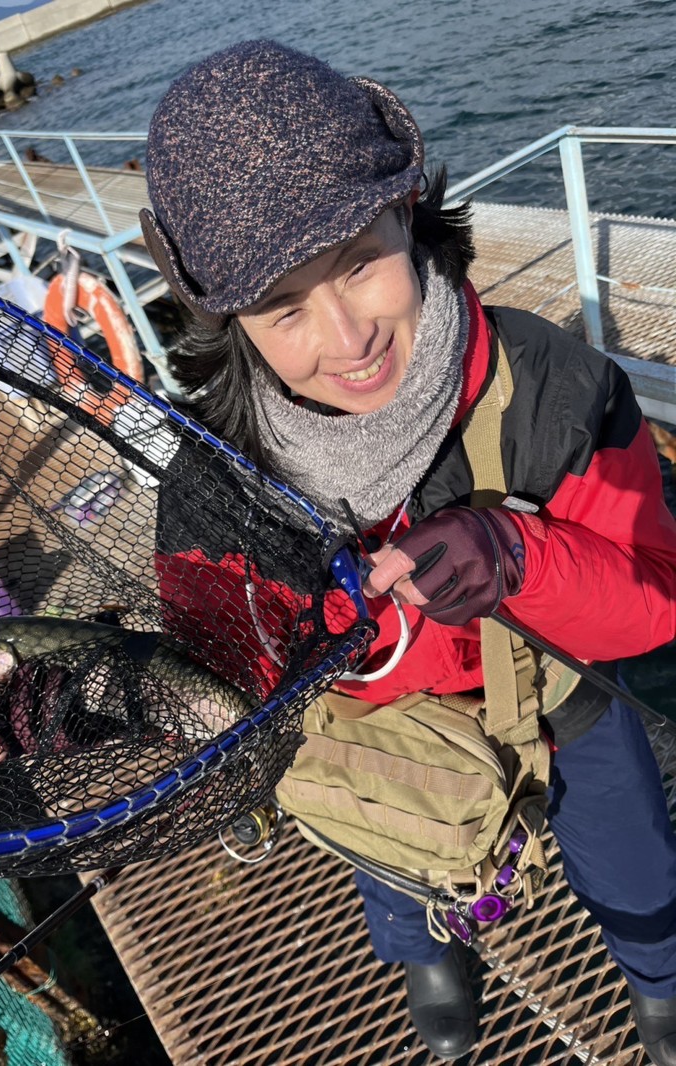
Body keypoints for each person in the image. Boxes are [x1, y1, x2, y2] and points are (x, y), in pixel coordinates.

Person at [139, 40, 676, 1063]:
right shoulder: (212, 480)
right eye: (280, 307)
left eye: (357, 264)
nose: (344, 339)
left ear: (409, 214)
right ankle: (431, 960)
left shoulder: (550, 384)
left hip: (564, 693)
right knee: (394, 865)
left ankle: (656, 987)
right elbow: (210, 687)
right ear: (224, 317)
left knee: (637, 869)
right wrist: (87, 701)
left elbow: (655, 604)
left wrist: (514, 555)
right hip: (381, 736)